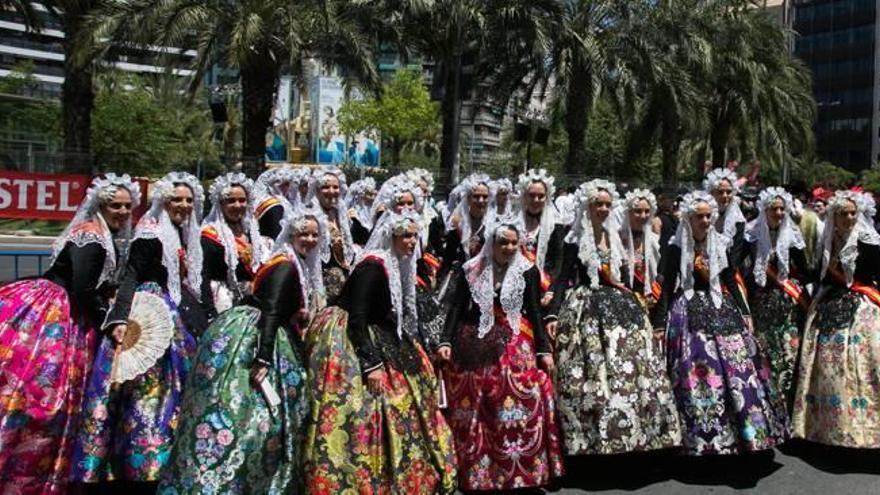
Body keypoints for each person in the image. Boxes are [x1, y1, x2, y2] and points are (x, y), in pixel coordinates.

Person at [159, 206, 324, 494]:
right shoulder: (286, 265)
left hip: (256, 326)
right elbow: (271, 311)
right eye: (303, 234)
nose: (309, 239)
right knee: (253, 414)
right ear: (291, 234)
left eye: (314, 235)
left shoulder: (290, 261)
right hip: (259, 336)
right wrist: (262, 358)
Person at [0, 174, 139, 494]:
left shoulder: (102, 235)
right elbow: (82, 288)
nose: (120, 212)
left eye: (126, 207)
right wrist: (109, 320)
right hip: (56, 313)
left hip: (67, 309)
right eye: (113, 205)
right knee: (43, 393)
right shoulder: (90, 235)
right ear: (99, 205)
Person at [72, 172, 212, 487]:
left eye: (189, 200)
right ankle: (141, 463)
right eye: (177, 199)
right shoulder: (151, 230)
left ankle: (163, 458)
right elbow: (132, 274)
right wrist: (119, 317)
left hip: (171, 314)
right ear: (162, 200)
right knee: (146, 393)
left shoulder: (180, 231)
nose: (184, 205)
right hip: (148, 312)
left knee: (170, 390)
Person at [303, 210, 456, 494]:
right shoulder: (373, 267)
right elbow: (357, 318)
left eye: (414, 236)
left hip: (375, 329)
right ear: (392, 237)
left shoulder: (398, 263)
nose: (412, 242)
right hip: (349, 335)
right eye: (405, 236)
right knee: (363, 407)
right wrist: (370, 364)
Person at [653, 191, 788, 455]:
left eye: (708, 216)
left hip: (721, 308)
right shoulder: (676, 247)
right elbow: (668, 287)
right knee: (696, 371)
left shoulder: (720, 243)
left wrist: (744, 311)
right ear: (688, 219)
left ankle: (747, 433)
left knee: (738, 369)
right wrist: (660, 322)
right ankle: (700, 437)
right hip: (687, 313)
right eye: (699, 217)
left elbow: (728, 279)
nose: (704, 221)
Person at [551, 181, 681, 455]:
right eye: (598, 204)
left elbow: (628, 280)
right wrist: (553, 312)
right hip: (586, 308)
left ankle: (635, 432)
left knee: (632, 369)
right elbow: (562, 278)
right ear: (587, 206)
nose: (603, 208)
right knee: (592, 371)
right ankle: (592, 437)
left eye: (608, 204)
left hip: (621, 306)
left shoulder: (616, 237)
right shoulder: (574, 239)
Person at [439, 219, 563, 491]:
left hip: (514, 337)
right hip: (475, 338)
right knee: (476, 401)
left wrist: (543, 349)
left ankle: (522, 470)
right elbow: (457, 307)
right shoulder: (471, 269)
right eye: (502, 242)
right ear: (491, 244)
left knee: (522, 393)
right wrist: (445, 340)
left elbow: (533, 309)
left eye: (513, 243)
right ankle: (479, 472)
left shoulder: (527, 270)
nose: (508, 247)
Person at [792, 190, 880, 448]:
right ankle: (827, 429)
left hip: (861, 307)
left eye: (853, 213)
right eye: (843, 214)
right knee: (825, 369)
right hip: (829, 304)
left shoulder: (869, 241)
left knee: (866, 362)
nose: (849, 218)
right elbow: (818, 274)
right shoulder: (827, 240)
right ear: (834, 216)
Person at [742, 187, 811, 408]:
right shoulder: (751, 233)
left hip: (787, 306)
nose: (779, 213)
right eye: (774, 208)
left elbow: (805, 268)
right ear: (765, 209)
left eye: (782, 209)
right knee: (764, 354)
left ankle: (787, 406)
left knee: (789, 353)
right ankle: (766, 404)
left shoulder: (792, 234)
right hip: (760, 304)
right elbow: (735, 265)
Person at [201, 172, 270, 313]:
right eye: (231, 200)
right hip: (223, 304)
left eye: (242, 200)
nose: (237, 205)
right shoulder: (209, 236)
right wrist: (208, 312)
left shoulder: (252, 232)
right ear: (221, 204)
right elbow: (204, 277)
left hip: (253, 304)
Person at [516, 169, 565, 307]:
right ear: (524, 196)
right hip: (516, 287)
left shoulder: (555, 225)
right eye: (531, 195)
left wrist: (551, 289)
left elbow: (558, 260)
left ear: (547, 197)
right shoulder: (513, 223)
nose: (536, 200)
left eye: (541, 196)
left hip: (544, 289)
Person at [308, 167, 355, 302]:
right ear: (317, 190)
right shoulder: (311, 215)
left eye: (335, 187)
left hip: (344, 283)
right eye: (325, 187)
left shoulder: (340, 215)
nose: (331, 191)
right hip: (321, 285)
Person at [438, 173, 493, 285]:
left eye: (485, 196)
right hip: (460, 283)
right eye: (476, 196)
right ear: (468, 199)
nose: (481, 200)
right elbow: (448, 258)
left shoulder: (494, 226)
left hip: (486, 281)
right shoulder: (457, 227)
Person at [704, 168, 748, 299]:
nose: (725, 196)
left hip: (727, 278)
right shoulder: (700, 217)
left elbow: (734, 259)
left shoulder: (738, 221)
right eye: (720, 192)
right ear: (711, 193)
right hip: (700, 276)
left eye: (729, 192)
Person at [254, 167, 297, 240]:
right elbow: (277, 234)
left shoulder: (262, 200)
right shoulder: (275, 205)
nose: (286, 188)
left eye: (287, 184)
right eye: (282, 184)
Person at [347, 177, 377, 246]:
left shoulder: (372, 212)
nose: (373, 198)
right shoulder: (352, 214)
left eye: (374, 195)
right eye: (370, 195)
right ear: (360, 196)